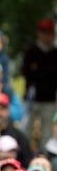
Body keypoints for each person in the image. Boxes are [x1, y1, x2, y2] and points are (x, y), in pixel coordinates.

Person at [22, 19, 57, 150]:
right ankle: (25, 154)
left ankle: (45, 157)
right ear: (39, 33)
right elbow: (26, 73)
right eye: (43, 32)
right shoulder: (31, 52)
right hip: (32, 98)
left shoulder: (55, 53)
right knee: (27, 129)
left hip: (50, 99)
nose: (46, 35)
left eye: (49, 32)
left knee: (47, 132)